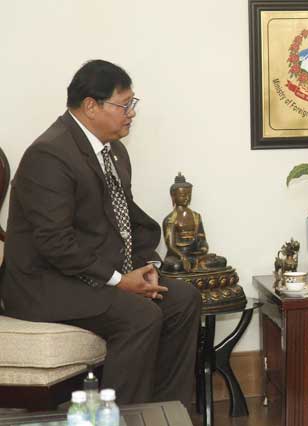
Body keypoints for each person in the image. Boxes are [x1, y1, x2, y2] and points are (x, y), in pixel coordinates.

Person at [0, 60, 202, 406]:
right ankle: (120, 417)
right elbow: (55, 243)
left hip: (90, 276)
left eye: (132, 103)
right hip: (45, 284)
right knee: (140, 315)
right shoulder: (49, 155)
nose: (131, 113)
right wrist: (119, 280)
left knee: (183, 299)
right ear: (91, 106)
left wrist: (148, 265)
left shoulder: (114, 152)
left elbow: (128, 223)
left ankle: (166, 412)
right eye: (124, 105)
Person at [162, 173, 227, 273]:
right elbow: (171, 246)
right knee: (176, 266)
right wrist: (183, 257)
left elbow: (202, 239)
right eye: (183, 195)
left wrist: (204, 247)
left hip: (195, 255)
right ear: (173, 196)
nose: (187, 198)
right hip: (177, 256)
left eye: (189, 195)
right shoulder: (170, 219)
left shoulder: (196, 216)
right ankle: (196, 267)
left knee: (222, 261)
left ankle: (195, 266)